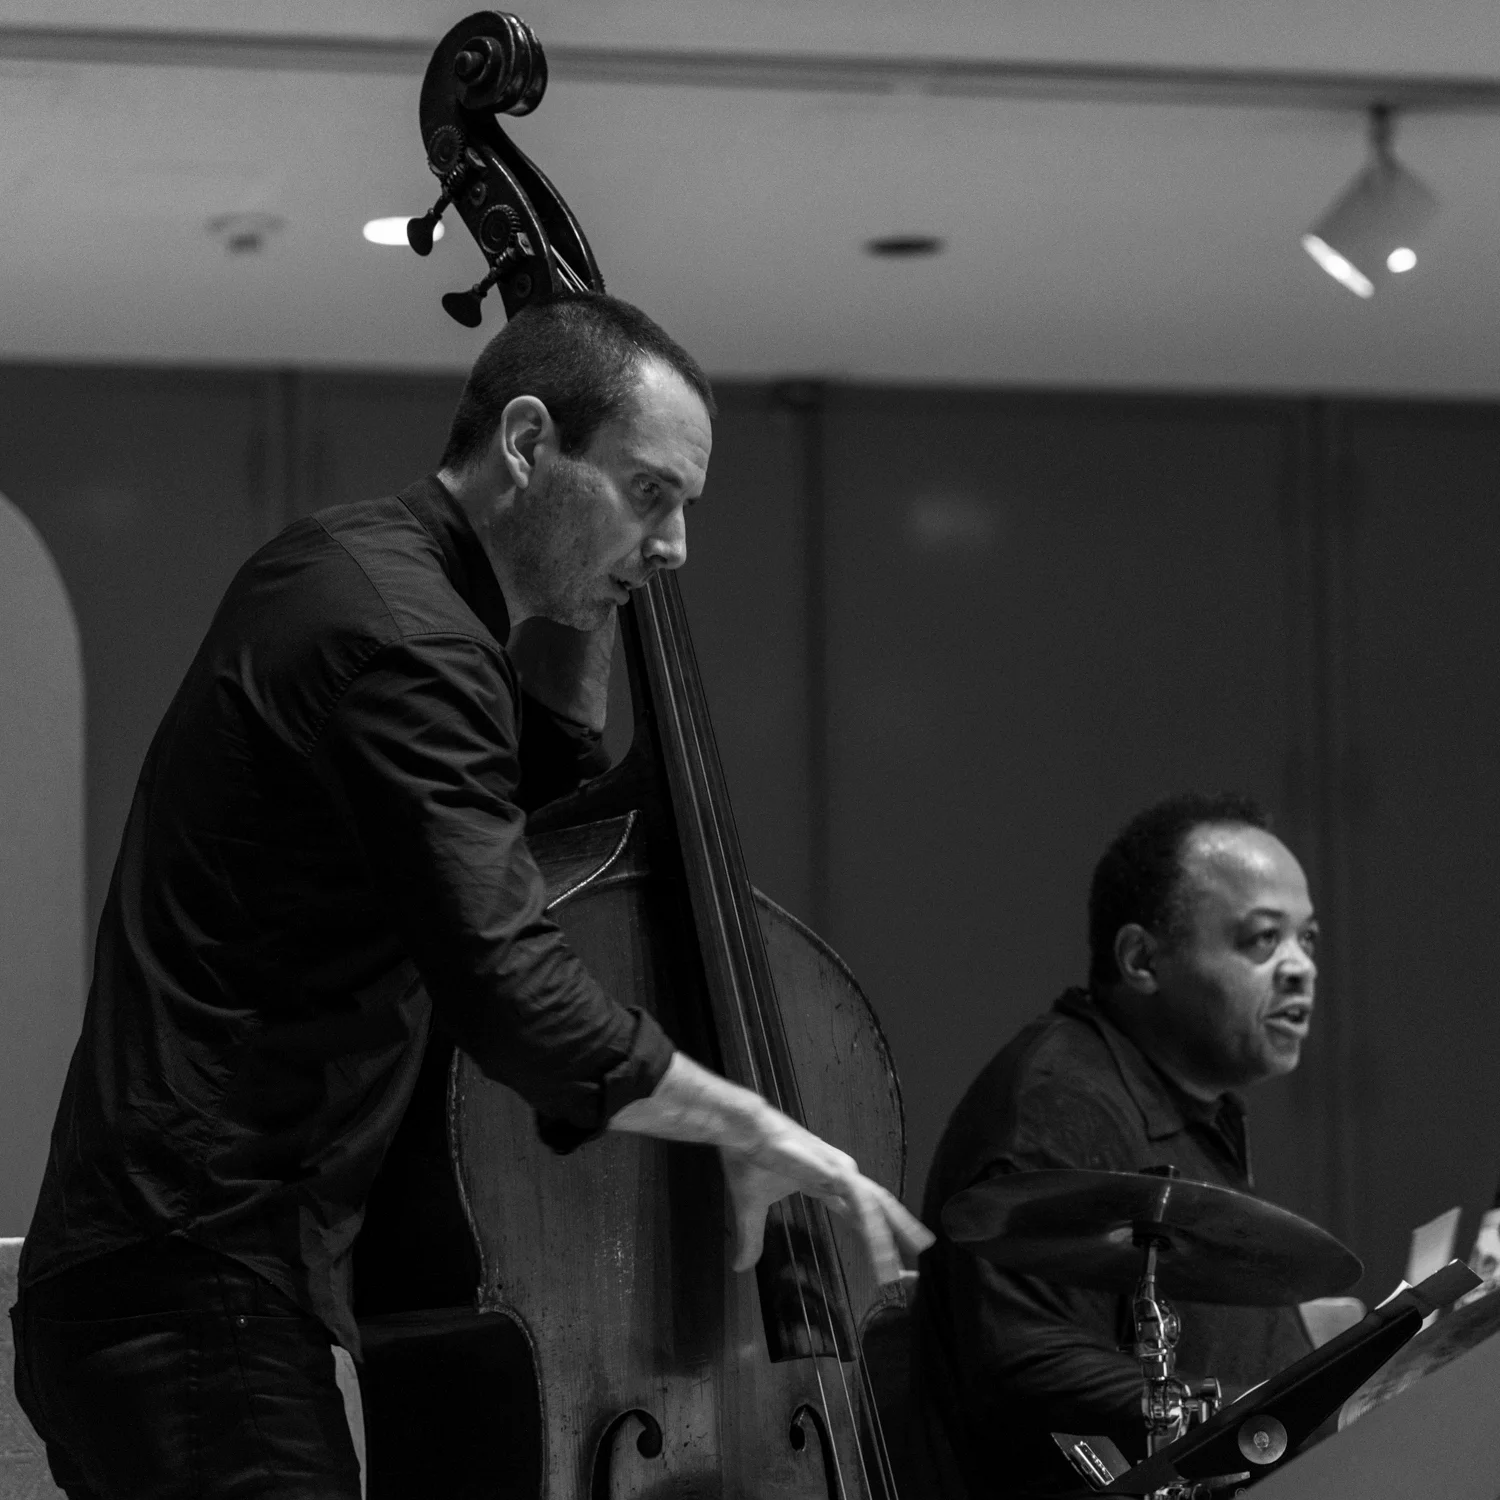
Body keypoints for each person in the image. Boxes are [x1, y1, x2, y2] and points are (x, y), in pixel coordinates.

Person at [11, 293, 931, 1500]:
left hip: (153, 1280)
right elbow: (513, 989)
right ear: (527, 441)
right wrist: (751, 1125)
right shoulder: (410, 643)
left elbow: (533, 812)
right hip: (199, 1288)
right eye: (648, 493)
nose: (674, 547)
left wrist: (587, 603)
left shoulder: (340, 565)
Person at [911, 792, 1319, 1498]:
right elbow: (1030, 1367)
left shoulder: (1188, 1104)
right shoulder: (1059, 1106)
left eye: (1307, 939)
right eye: (1262, 939)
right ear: (1141, 959)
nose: (1300, 967)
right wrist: (1262, 1420)